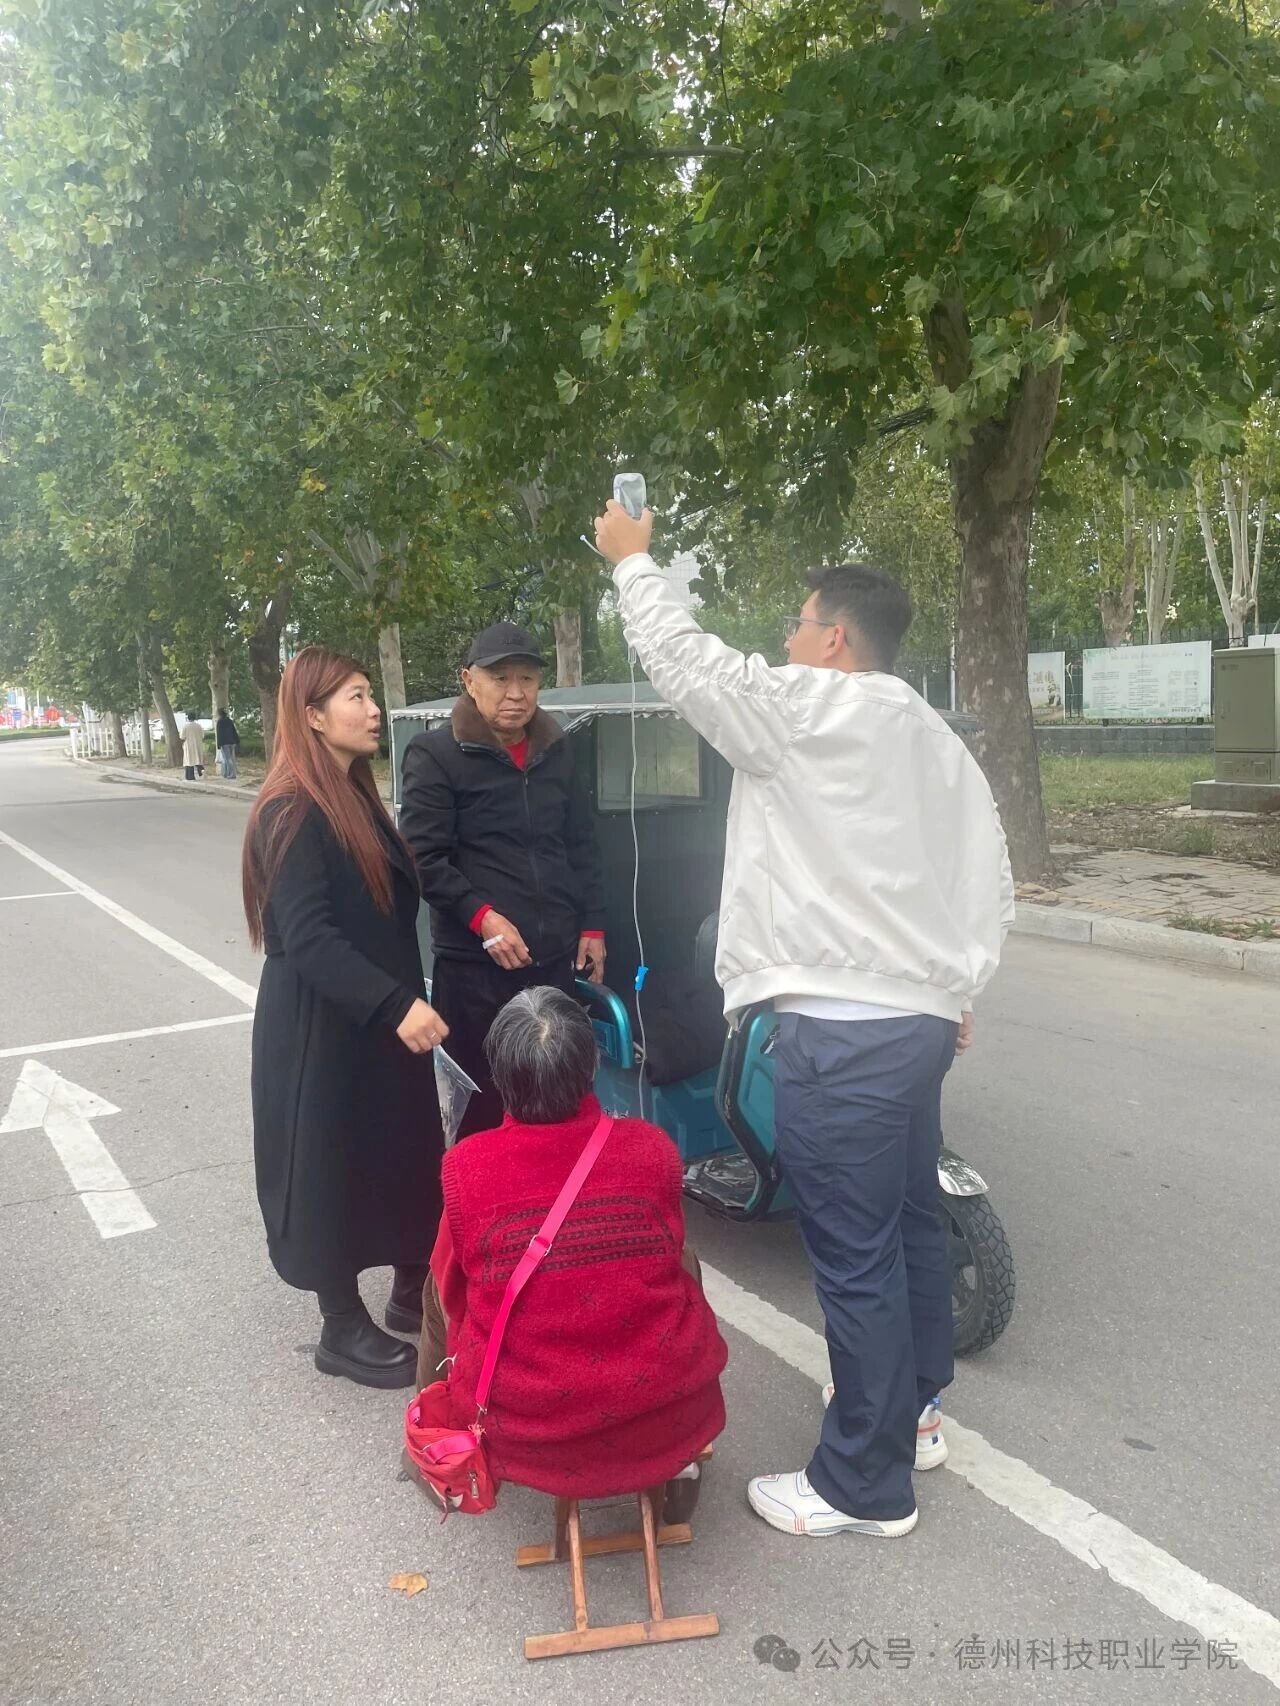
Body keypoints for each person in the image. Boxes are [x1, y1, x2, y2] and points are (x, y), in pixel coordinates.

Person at [594, 501, 1014, 1541]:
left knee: (853, 1252)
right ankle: (913, 1412)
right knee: (907, 1222)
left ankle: (863, 1485)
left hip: (844, 1031)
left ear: (834, 639)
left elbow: (686, 663)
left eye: (796, 622)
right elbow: (983, 879)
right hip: (914, 1025)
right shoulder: (933, 740)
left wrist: (634, 562)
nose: (784, 639)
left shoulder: (809, 708)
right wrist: (954, 990)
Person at [415, 986, 727, 1515]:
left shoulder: (467, 1168)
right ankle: (682, 1464)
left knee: (434, 1286)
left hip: (526, 1430)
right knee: (682, 1261)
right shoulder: (651, 1148)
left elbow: (455, 1295)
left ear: (500, 1077)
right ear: (590, 1068)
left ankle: (436, 1442)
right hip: (670, 1409)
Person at [242, 647, 450, 1389]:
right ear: (313, 716)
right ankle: (340, 1325)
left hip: (373, 1020)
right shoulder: (293, 809)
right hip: (320, 1029)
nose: (372, 710)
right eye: (356, 697)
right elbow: (307, 938)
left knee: (400, 1147)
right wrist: (396, 1004)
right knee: (327, 1164)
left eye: (369, 695)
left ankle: (411, 1289)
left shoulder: (353, 794)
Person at [398, 622, 606, 1140]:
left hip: (552, 961)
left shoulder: (559, 750)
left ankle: (555, 1195)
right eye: (500, 678)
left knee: (559, 1103)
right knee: (483, 1112)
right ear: (469, 681)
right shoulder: (435, 755)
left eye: (527, 679)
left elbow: (582, 843)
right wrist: (482, 918)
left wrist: (593, 925)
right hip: (475, 972)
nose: (516, 693)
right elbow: (422, 858)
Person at [215, 707, 240, 780]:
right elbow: (234, 731)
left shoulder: (219, 722)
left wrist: (219, 744)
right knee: (228, 758)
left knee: (227, 758)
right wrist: (237, 741)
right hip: (231, 742)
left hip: (224, 742)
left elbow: (219, 734)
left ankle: (232, 774)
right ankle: (226, 773)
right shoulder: (229, 721)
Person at [181, 712, 205, 780]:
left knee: (189, 760)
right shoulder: (199, 726)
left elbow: (182, 737)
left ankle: (190, 776)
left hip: (189, 745)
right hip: (198, 744)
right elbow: (202, 736)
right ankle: (202, 771)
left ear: (188, 718)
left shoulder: (185, 726)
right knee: (197, 759)